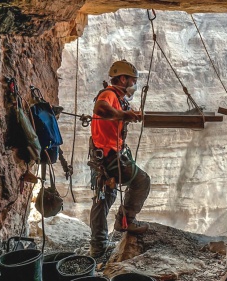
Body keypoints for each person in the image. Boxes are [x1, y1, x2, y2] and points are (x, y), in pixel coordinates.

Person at [88, 59, 151, 258]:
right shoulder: (109, 94)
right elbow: (100, 109)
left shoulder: (117, 97)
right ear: (122, 79)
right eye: (132, 81)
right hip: (109, 157)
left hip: (105, 156)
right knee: (141, 181)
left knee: (105, 198)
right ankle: (126, 220)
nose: (133, 85)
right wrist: (125, 115)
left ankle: (98, 246)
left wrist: (127, 115)